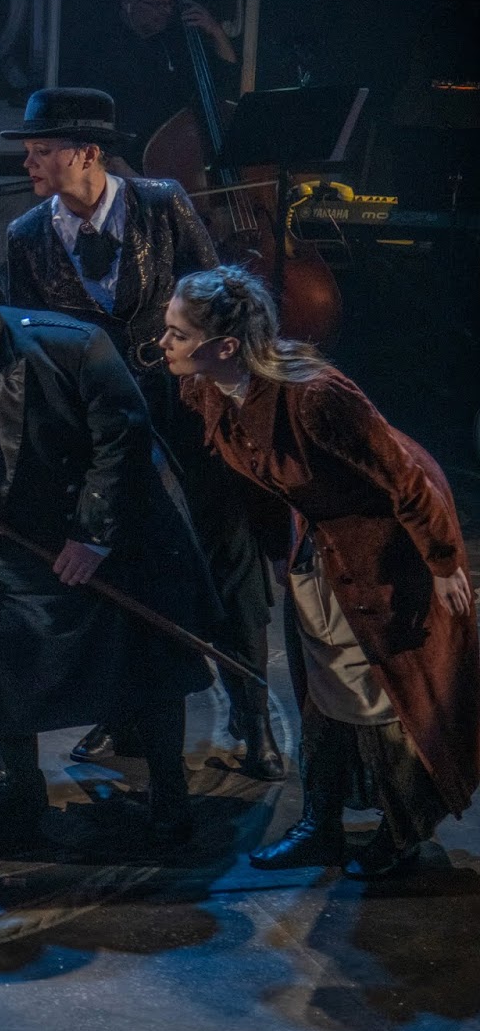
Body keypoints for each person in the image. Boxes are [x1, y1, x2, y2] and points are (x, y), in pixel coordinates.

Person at [0, 234, 221, 846]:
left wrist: (93, 535)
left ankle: (169, 791)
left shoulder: (69, 347)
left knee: (142, 665)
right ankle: (21, 783)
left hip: (102, 541)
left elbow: (123, 442)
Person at [160, 265, 478, 878]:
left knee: (383, 692)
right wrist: (273, 551)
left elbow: (406, 477)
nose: (164, 343)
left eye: (177, 333)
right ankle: (321, 825)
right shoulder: (207, 389)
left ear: (225, 346)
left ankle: (402, 833)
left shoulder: (316, 396)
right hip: (318, 544)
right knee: (325, 687)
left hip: (384, 551)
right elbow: (255, 479)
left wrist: (442, 563)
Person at [1, 87, 282, 781]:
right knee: (121, 570)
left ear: (88, 153)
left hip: (186, 412)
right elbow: (31, 344)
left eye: (42, 151)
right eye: (29, 151)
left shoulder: (160, 203)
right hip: (102, 427)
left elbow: (217, 302)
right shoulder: (27, 235)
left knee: (228, 561)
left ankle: (252, 718)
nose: (29, 164)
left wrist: (232, 396)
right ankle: (125, 712)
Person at [71, 0, 238, 170]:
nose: (166, 12)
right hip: (127, 164)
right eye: (157, 5)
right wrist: (128, 173)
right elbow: (93, 125)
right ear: (128, 3)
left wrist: (216, 31)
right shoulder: (101, 50)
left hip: (172, 162)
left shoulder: (173, 44)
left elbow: (226, 78)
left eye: (170, 4)